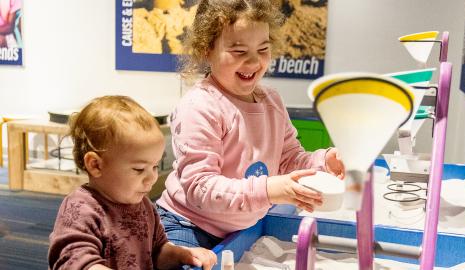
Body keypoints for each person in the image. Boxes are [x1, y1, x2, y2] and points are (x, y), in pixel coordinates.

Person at [156, 0, 345, 250]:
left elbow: (288, 158)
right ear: (206, 49)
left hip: (241, 227)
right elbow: (200, 188)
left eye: (263, 49)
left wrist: (323, 162)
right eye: (239, 51)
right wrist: (268, 190)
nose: (254, 62)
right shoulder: (200, 106)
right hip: (187, 225)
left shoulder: (272, 101)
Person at [48, 96, 216, 270]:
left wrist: (182, 254)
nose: (152, 178)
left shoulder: (144, 205)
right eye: (139, 169)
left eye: (155, 166)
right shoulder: (80, 209)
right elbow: (75, 262)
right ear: (95, 165)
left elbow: (157, 254)